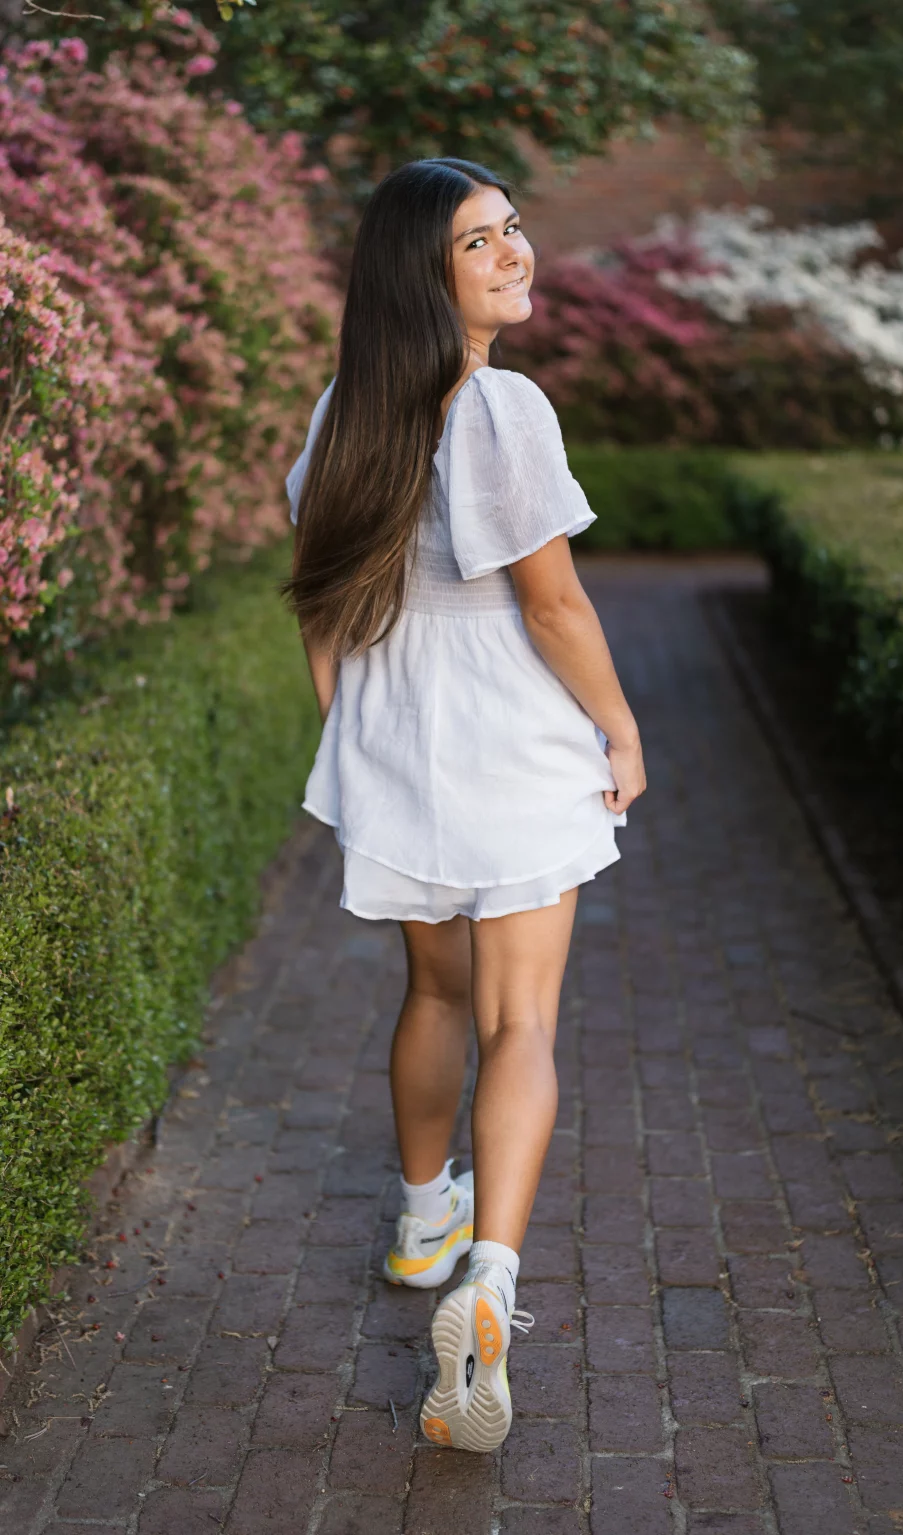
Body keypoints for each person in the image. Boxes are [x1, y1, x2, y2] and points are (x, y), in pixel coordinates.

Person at [284, 157, 645, 1454]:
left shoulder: (342, 416)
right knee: (521, 1015)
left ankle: (424, 1215)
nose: (516, 251)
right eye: (480, 240)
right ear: (422, 277)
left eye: (512, 228)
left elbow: (323, 614)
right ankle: (489, 1280)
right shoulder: (502, 409)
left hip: (400, 745)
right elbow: (552, 602)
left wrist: (359, 742)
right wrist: (619, 722)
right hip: (509, 737)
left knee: (433, 993)